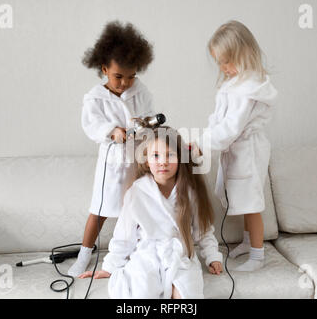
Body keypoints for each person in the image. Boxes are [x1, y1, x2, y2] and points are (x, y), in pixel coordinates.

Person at [81, 127, 223, 299]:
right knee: (142, 292)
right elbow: (124, 235)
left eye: (170, 155)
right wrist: (109, 267)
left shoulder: (189, 191)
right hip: (147, 255)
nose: (162, 162)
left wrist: (213, 257)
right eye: (155, 156)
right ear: (146, 160)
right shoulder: (137, 191)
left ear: (180, 159)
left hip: (180, 254)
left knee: (185, 294)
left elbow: (204, 230)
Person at [68, 21, 155, 277]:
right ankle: (85, 255)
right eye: (118, 76)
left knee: (137, 208)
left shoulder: (141, 92)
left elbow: (149, 116)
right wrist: (111, 131)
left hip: (137, 160)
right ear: (104, 69)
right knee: (100, 209)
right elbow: (92, 124)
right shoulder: (95, 98)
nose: (125, 82)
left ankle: (136, 255)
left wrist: (143, 128)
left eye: (131, 76)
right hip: (112, 162)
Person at [194, 20, 278, 272]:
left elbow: (230, 128)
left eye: (225, 61)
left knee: (251, 203)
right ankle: (246, 241)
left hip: (248, 152)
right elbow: (218, 121)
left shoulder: (249, 90)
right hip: (236, 150)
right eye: (218, 62)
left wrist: (202, 144)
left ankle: (257, 255)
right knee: (241, 199)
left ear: (242, 54)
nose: (222, 67)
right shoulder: (233, 85)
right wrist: (204, 137)